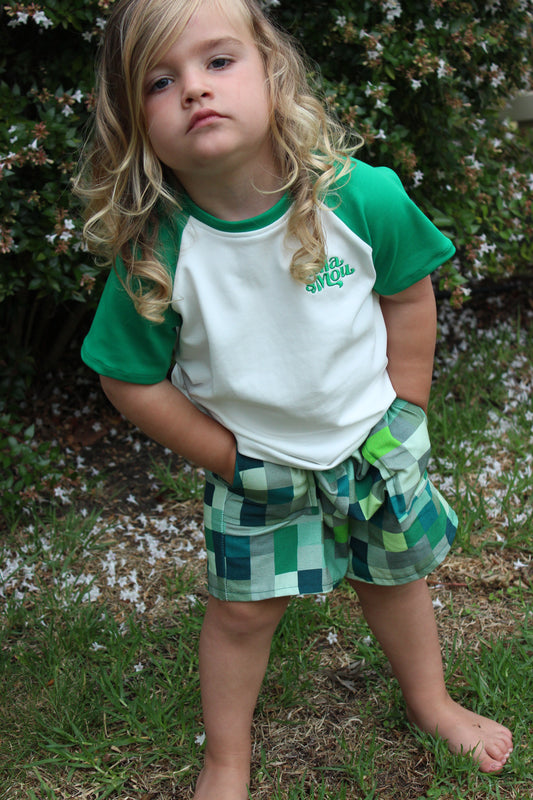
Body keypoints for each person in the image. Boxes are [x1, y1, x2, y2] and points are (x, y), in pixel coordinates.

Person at [76, 0, 513, 797]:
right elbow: (126, 378)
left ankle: (431, 700)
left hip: (369, 442)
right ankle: (226, 760)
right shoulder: (158, 251)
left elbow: (408, 294)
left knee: (394, 579)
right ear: (132, 123)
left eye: (218, 62)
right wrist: (225, 457)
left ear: (273, 75)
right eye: (160, 81)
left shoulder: (358, 197)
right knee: (241, 615)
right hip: (257, 470)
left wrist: (406, 407)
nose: (194, 91)